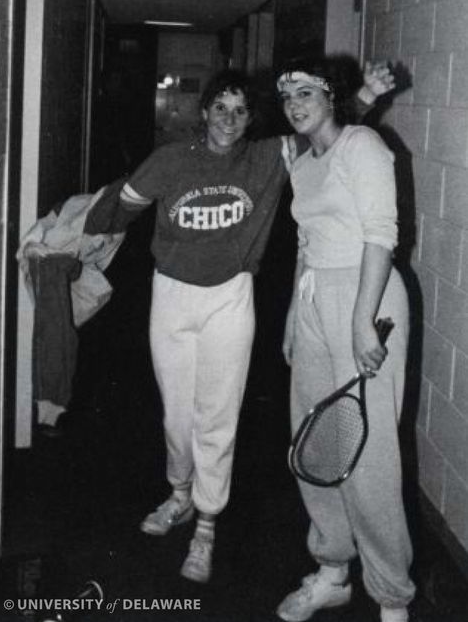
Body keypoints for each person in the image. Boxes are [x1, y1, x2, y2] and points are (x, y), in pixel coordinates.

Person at [117, 64, 394, 584]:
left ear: (250, 121)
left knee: (217, 416)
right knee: (178, 416)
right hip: (172, 296)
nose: (229, 118)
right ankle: (178, 494)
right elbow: (118, 208)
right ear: (204, 113)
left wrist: (367, 95)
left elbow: (323, 127)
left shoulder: (269, 158)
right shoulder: (172, 158)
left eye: (241, 111)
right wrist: (71, 235)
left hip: (230, 297)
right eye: (221, 107)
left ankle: (206, 524)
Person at [274, 56, 414, 622]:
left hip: (368, 298)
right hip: (313, 301)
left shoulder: (363, 146)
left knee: (370, 453)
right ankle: (332, 570)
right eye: (288, 97)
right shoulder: (303, 162)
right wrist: (292, 315)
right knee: (318, 442)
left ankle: (391, 599)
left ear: (333, 96)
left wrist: (361, 322)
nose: (296, 104)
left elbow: (381, 236)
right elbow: (307, 242)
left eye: (308, 92)